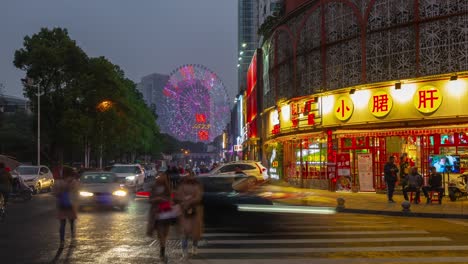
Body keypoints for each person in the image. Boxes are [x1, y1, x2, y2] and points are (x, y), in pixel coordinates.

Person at [175, 169, 203, 259]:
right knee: (186, 233)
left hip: (194, 210)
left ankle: (193, 248)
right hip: (185, 211)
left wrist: (188, 201)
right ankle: (185, 250)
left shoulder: (196, 186)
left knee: (194, 232)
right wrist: (188, 201)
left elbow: (198, 197)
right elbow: (179, 196)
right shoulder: (183, 186)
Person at [147, 172, 173, 263]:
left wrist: (164, 200)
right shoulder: (154, 187)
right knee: (160, 233)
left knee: (164, 234)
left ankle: (162, 248)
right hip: (157, 214)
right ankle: (162, 250)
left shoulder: (167, 188)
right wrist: (156, 200)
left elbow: (170, 199)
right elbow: (149, 199)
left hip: (165, 213)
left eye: (163, 176)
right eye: (160, 176)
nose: (161, 178)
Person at [52, 166, 79, 246]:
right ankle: (73, 239)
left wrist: (60, 194)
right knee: (72, 224)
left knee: (62, 224)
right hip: (71, 206)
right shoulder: (74, 182)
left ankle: (62, 241)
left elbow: (54, 193)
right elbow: (76, 193)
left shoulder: (58, 182)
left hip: (62, 206)